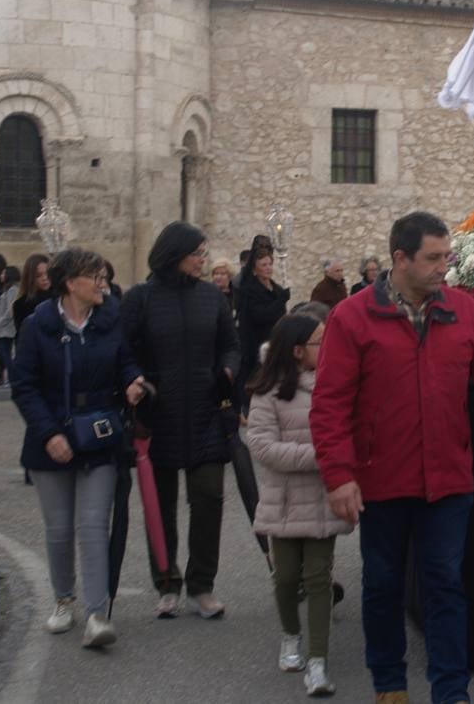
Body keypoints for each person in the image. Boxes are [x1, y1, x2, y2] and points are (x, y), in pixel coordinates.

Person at [310, 211, 474, 704]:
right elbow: (329, 404)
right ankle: (389, 686)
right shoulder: (351, 317)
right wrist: (339, 476)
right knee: (383, 587)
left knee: (445, 587)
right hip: (381, 479)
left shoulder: (464, 310)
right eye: (433, 259)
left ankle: (451, 692)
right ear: (400, 259)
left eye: (448, 257)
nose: (444, 268)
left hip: (448, 480)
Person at [11, 248, 145, 647]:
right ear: (71, 283)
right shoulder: (39, 325)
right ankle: (63, 599)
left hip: (100, 437)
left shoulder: (111, 318)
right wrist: (50, 434)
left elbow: (127, 362)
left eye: (104, 276)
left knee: (91, 527)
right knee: (58, 529)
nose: (103, 283)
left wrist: (133, 381)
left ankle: (96, 614)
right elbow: (24, 385)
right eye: (95, 277)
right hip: (49, 441)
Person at [121, 221, 241, 618]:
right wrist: (135, 380)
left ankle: (202, 586)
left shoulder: (212, 298)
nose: (203, 261)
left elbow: (230, 346)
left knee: (209, 498)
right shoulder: (140, 298)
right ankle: (166, 583)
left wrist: (226, 369)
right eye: (197, 254)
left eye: (205, 254)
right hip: (158, 415)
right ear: (175, 254)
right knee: (162, 504)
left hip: (207, 412)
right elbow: (126, 351)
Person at [247, 311, 353, 697]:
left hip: (325, 499)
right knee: (287, 576)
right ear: (296, 351)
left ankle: (318, 659)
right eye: (318, 343)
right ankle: (291, 634)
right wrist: (320, 455)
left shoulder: (334, 384)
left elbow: (347, 430)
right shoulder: (267, 391)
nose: (326, 348)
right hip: (284, 501)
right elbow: (261, 445)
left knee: (318, 577)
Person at [236, 237, 290, 414]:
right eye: (263, 265)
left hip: (275, 343)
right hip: (256, 344)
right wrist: (281, 300)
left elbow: (280, 315)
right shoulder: (249, 290)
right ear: (255, 268)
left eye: (269, 264)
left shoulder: (276, 288)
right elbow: (260, 316)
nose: (268, 268)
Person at [13, 253, 52, 333]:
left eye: (47, 273)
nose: (45, 278)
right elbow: (23, 337)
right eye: (38, 275)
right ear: (30, 277)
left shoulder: (62, 297)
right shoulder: (21, 304)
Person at [0, 265, 21, 386]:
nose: (1, 276)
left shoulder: (12, 290)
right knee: (5, 355)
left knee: (7, 355)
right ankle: (9, 378)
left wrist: (1, 321)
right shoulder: (8, 290)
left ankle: (12, 378)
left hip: (6, 329)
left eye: (3, 273)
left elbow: (12, 308)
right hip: (4, 329)